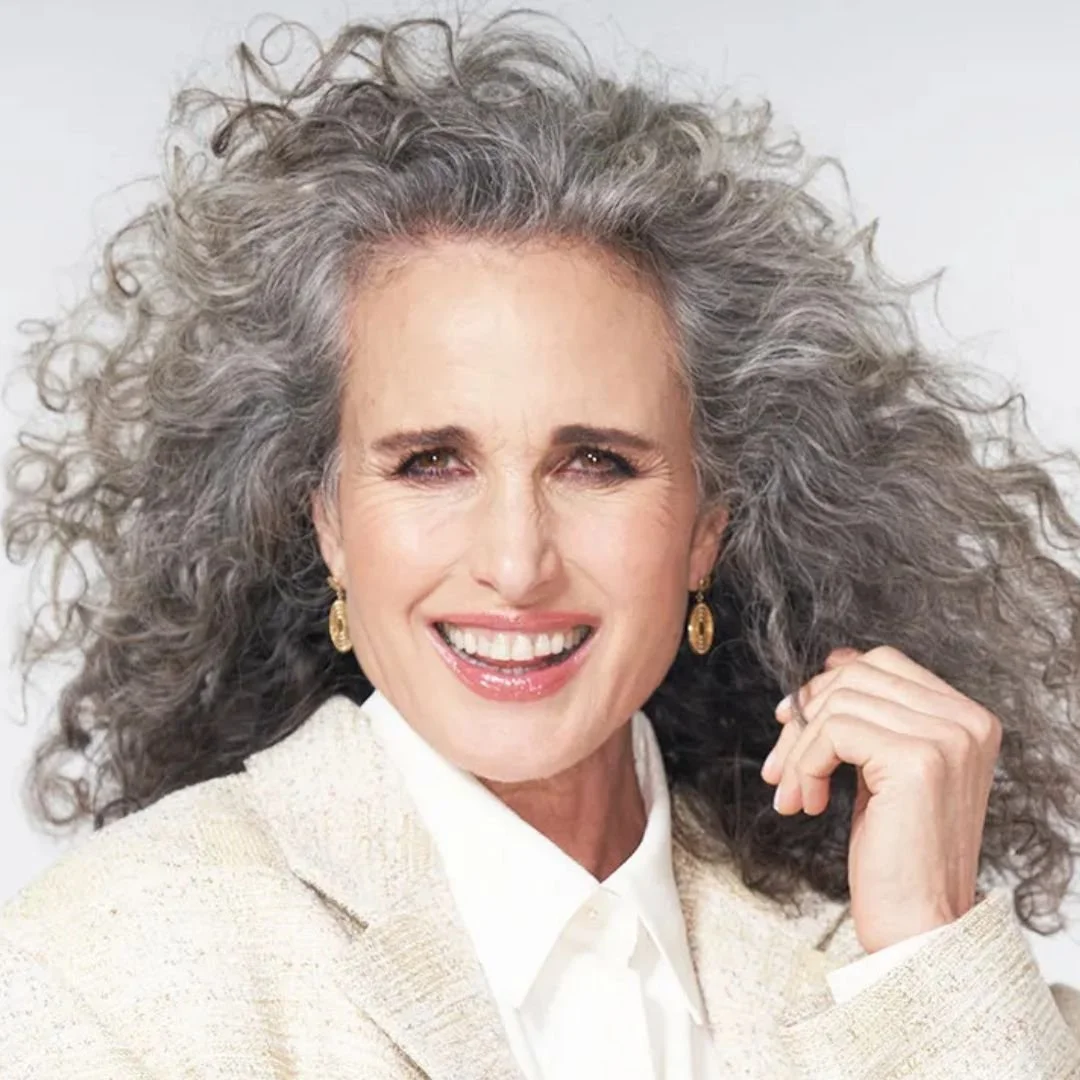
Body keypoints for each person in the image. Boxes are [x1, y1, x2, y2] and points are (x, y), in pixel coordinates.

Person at [1, 8, 1079, 1078]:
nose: (516, 565)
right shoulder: (106, 975)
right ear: (327, 520)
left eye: (596, 462)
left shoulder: (910, 975)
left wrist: (926, 949)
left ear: (710, 527)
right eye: (431, 461)